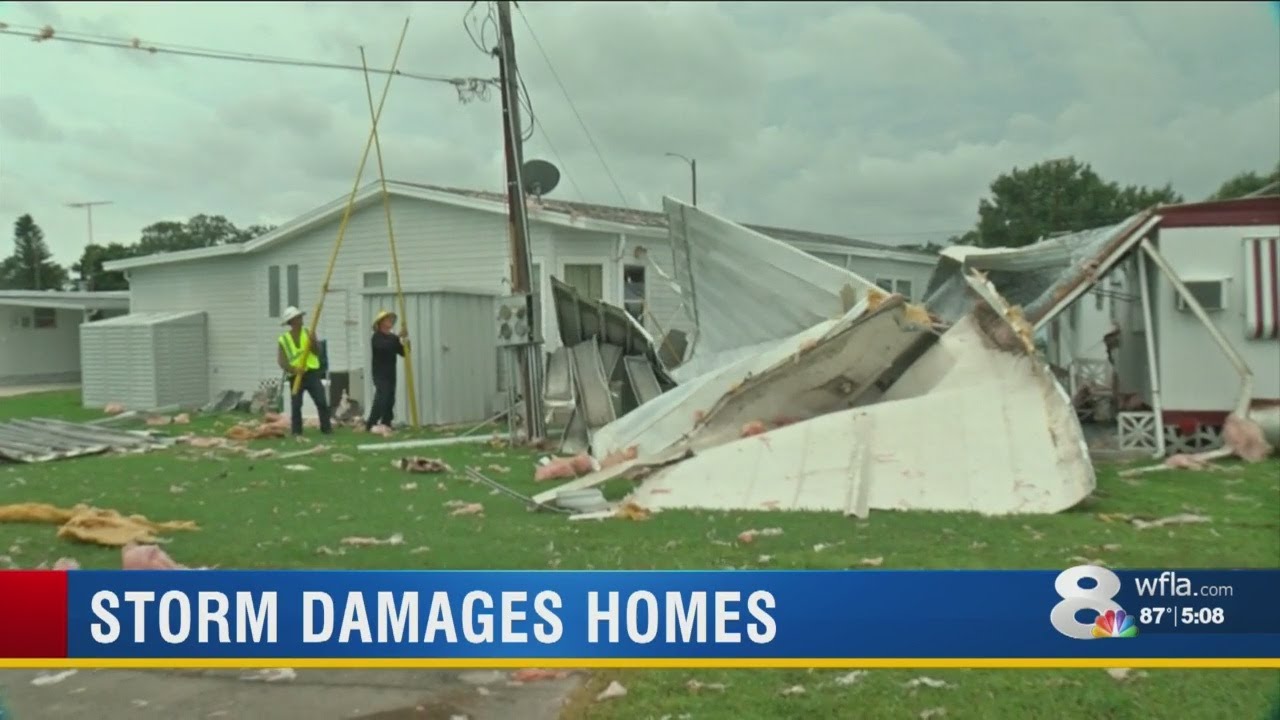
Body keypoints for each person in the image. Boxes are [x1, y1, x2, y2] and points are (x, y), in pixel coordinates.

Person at [276, 305, 332, 436]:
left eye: (300, 317)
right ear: (292, 321)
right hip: (295, 376)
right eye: (298, 318)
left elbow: (317, 352)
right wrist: (294, 369)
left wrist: (313, 342)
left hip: (311, 373)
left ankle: (327, 429)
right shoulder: (283, 339)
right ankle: (296, 431)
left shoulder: (308, 332)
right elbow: (282, 360)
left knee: (321, 401)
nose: (301, 320)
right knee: (296, 405)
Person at [366, 309, 408, 431]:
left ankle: (386, 422)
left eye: (390, 319)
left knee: (390, 398)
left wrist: (406, 342)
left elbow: (403, 352)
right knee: (382, 397)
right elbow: (384, 347)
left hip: (390, 373)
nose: (390, 321)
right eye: (387, 319)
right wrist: (398, 338)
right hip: (380, 374)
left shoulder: (392, 338)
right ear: (380, 323)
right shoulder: (377, 337)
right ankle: (371, 423)